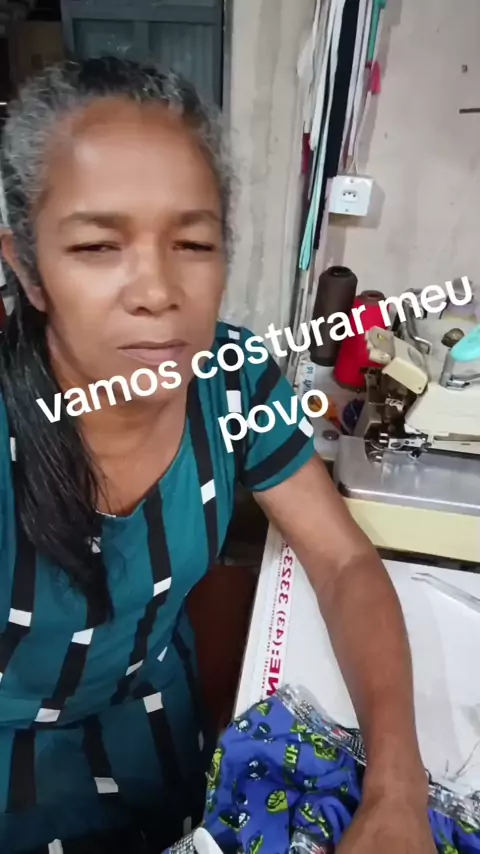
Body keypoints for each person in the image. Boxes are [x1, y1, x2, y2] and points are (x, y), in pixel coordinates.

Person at [0, 57, 435, 854]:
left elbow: (342, 561)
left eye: (193, 243)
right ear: (28, 270)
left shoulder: (231, 382)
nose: (157, 290)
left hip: (156, 741)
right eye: (98, 246)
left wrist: (398, 788)